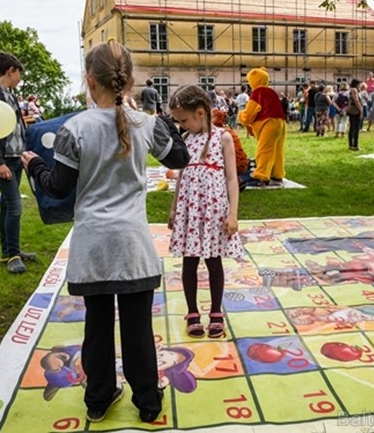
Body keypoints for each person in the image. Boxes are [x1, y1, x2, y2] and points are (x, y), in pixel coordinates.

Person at [22, 40, 189, 423]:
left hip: (92, 244)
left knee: (96, 327)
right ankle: (148, 403)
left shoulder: (74, 128)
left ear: (89, 80)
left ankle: (98, 399)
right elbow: (180, 157)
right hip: (132, 244)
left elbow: (58, 188)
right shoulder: (146, 124)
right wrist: (160, 119)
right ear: (128, 82)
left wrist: (33, 165)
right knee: (138, 329)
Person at [168, 84, 243, 340]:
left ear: (201, 112)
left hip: (213, 209)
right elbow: (181, 176)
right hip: (190, 210)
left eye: (184, 120)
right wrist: (174, 206)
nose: (182, 125)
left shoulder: (223, 138)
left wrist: (233, 213)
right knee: (189, 260)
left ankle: (215, 312)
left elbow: (232, 179)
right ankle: (191, 311)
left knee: (213, 260)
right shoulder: (186, 140)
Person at [0, 52, 36, 274]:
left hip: (14, 156)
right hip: (2, 159)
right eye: (19, 73)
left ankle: (10, 251)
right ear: (10, 70)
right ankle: (12, 255)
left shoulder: (8, 93)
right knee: (14, 206)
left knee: (6, 204)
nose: (20, 78)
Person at [346, 79, 363, 151]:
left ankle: (351, 144)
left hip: (351, 110)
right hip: (355, 111)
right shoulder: (354, 90)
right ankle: (355, 145)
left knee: (352, 128)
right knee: (355, 128)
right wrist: (361, 110)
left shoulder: (352, 90)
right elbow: (356, 100)